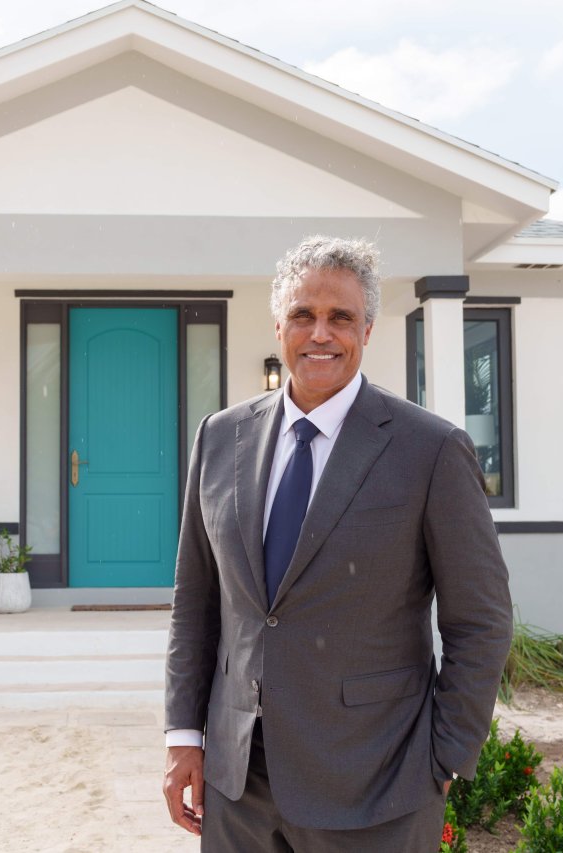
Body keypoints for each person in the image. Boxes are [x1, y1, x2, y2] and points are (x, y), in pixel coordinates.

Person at [162, 235, 513, 850]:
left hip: (375, 785)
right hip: (238, 783)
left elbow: (480, 620)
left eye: (340, 318)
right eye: (303, 314)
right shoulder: (219, 438)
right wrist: (184, 736)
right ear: (279, 325)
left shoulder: (429, 449)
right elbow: (195, 604)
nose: (319, 333)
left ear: (367, 329)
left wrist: (445, 758)